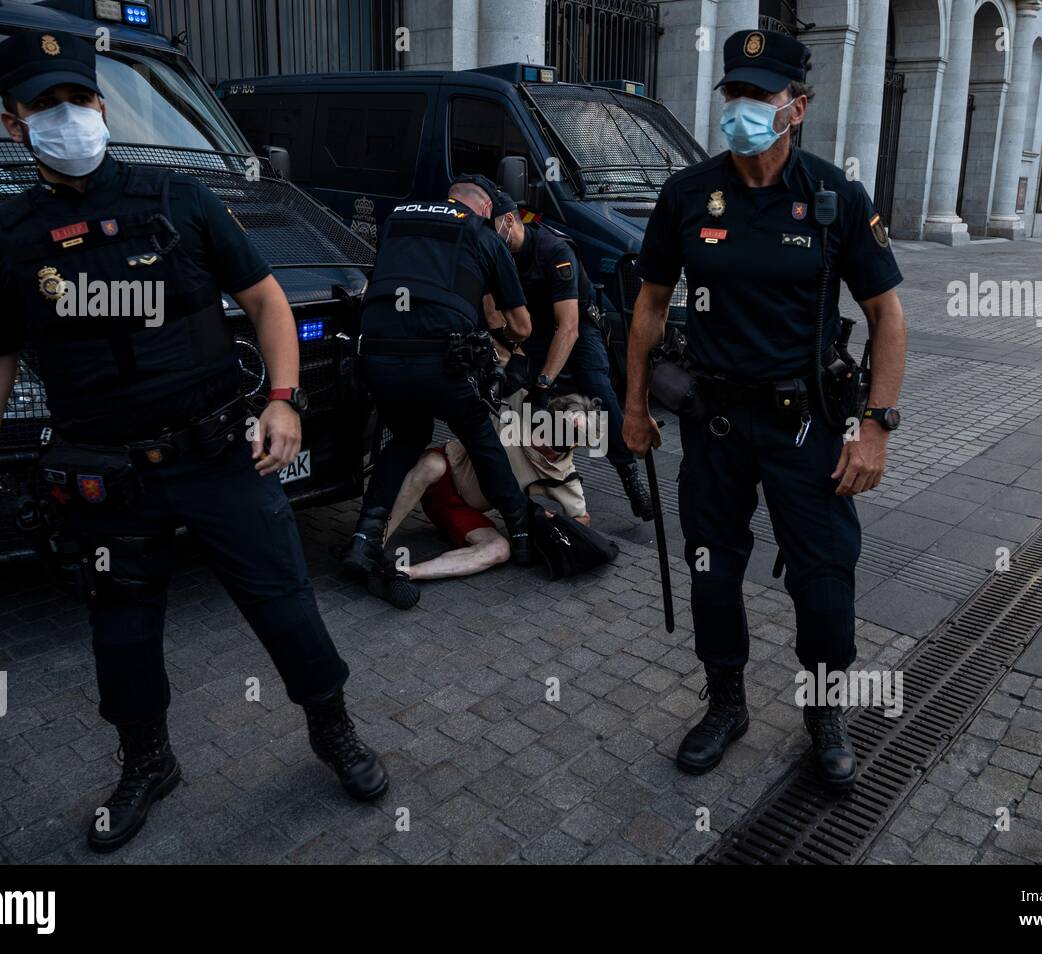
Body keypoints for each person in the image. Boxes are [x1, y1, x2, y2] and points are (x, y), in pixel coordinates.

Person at [0, 31, 388, 852]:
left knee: (286, 607)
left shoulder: (178, 199)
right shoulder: (3, 239)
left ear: (102, 107)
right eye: (45, 106)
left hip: (220, 454)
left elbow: (266, 302)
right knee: (123, 631)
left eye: (78, 100)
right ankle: (148, 761)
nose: (67, 117)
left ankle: (332, 730)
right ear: (14, 125)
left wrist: (283, 402)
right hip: (108, 477)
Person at [623, 30, 908, 789]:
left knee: (822, 581)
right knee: (712, 572)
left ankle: (824, 712)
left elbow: (888, 316)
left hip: (806, 423)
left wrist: (875, 428)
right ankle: (726, 704)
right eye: (734, 93)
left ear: (798, 107)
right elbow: (649, 306)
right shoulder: (687, 194)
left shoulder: (834, 197)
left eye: (761, 95)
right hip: (713, 424)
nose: (743, 107)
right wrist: (632, 405)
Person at [341, 175, 534, 594]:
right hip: (442, 364)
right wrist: (501, 337)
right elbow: (523, 324)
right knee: (481, 439)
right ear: (485, 208)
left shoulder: (398, 222)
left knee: (408, 436)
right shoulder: (484, 235)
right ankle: (521, 533)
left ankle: (363, 539)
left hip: (378, 359)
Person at [486, 190, 654, 521]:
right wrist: (512, 354)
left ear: (509, 221)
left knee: (597, 391)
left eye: (490, 228)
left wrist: (545, 382)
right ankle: (534, 482)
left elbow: (569, 329)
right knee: (519, 397)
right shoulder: (496, 253)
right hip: (532, 328)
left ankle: (628, 474)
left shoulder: (554, 250)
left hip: (576, 326)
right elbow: (494, 311)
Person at [377, 389, 592, 589]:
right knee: (431, 465)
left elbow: (581, 519)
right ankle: (374, 542)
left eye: (568, 437)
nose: (551, 440)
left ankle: (405, 573)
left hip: (461, 511)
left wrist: (551, 524)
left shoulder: (563, 476)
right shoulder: (519, 403)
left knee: (500, 550)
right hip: (441, 474)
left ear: (576, 445)